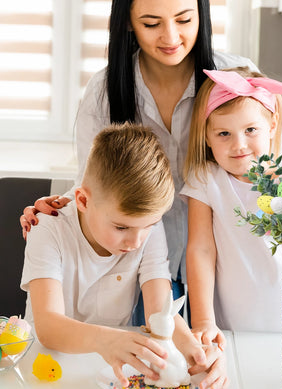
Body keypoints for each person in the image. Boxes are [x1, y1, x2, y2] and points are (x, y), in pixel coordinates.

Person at [19, 0, 258, 324]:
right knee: (147, 359)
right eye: (151, 23)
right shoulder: (106, 90)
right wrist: (59, 208)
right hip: (141, 256)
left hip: (223, 255)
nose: (171, 36)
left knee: (221, 356)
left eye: (184, 19)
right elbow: (92, 182)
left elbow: (265, 165)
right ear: (128, 22)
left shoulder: (233, 81)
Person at [20, 123, 228, 389]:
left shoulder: (145, 228)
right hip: (46, 367)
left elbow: (159, 310)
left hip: (110, 371)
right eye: (121, 227)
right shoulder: (49, 226)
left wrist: (195, 352)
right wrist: (107, 341)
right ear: (83, 200)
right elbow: (48, 327)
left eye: (150, 225)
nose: (136, 242)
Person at [180, 68, 282, 347]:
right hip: (232, 328)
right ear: (206, 136)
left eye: (250, 130)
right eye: (224, 133)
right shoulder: (206, 180)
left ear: (271, 126)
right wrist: (202, 322)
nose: (239, 144)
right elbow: (200, 250)